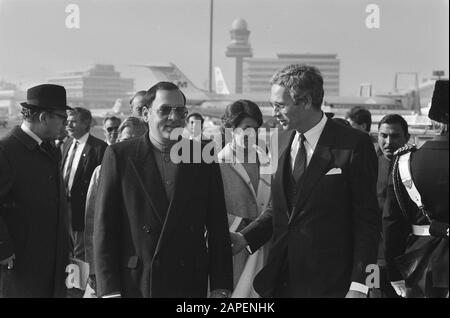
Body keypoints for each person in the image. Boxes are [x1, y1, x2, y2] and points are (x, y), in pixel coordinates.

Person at [231, 64, 380, 298]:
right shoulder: (278, 140)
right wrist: (245, 237)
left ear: (307, 101)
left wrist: (362, 285)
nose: (274, 113)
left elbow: (368, 222)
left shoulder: (355, 145)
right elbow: (281, 208)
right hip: (280, 280)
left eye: (280, 105)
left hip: (333, 284)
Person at [94, 81, 233, 298]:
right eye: (165, 110)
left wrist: (221, 286)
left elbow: (217, 226)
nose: (173, 117)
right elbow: (105, 227)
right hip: (138, 282)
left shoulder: (203, 155)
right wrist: (109, 290)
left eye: (180, 111)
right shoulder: (119, 156)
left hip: (187, 282)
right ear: (146, 114)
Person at [0, 84, 70, 297]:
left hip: (52, 262)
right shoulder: (6, 151)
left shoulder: (48, 148)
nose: (65, 124)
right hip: (21, 265)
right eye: (62, 117)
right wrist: (3, 248)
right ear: (43, 118)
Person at [383, 80, 449, 298]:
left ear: (432, 119)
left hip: (420, 267)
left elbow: (392, 223)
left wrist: (394, 273)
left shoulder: (405, 161)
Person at [83, 116, 147, 298]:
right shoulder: (101, 172)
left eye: (137, 139)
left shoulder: (158, 175)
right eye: (127, 140)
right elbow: (91, 227)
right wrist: (94, 269)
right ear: (118, 141)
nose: (132, 145)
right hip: (113, 263)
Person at [218, 100, 271, 298]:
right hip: (237, 249)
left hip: (267, 248)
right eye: (246, 128)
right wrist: (246, 228)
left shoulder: (268, 160)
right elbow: (213, 211)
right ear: (231, 129)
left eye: (255, 129)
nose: (252, 134)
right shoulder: (218, 164)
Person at [372, 114, 410, 298]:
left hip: (406, 258)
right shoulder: (368, 167)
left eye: (395, 136)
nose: (388, 142)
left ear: (407, 138)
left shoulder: (414, 168)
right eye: (383, 136)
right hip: (374, 258)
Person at [62, 108, 107, 263]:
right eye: (67, 121)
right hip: (64, 206)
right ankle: (69, 283)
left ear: (86, 123)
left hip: (83, 209)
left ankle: (79, 286)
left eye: (73, 121)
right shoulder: (67, 144)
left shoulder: (99, 148)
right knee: (67, 248)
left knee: (80, 252)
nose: (68, 125)